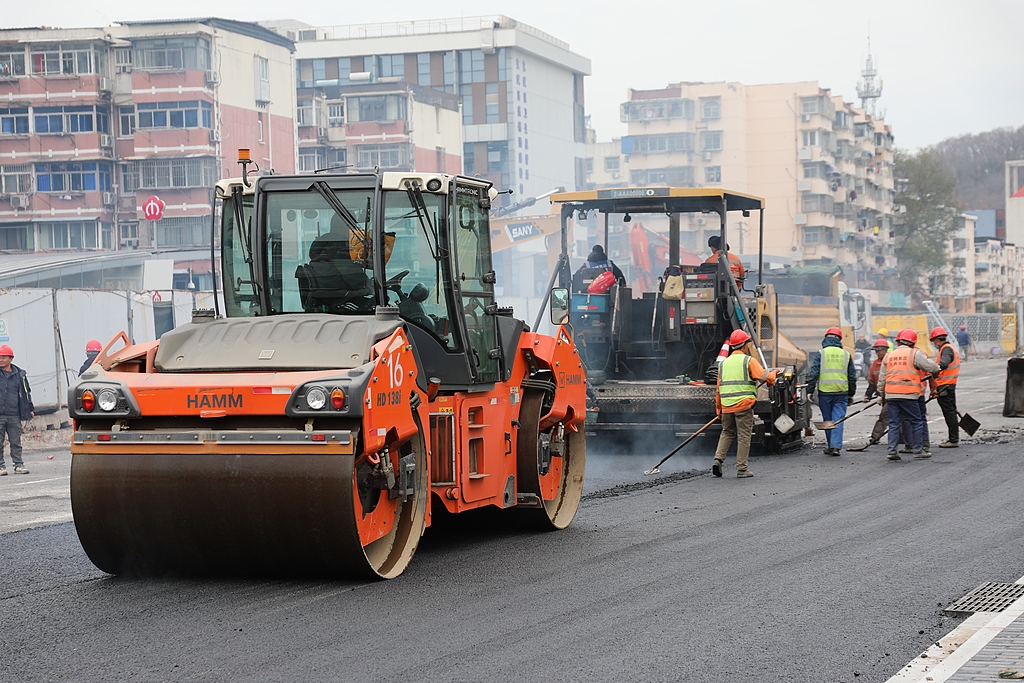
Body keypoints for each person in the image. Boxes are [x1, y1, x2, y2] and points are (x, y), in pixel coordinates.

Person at [712, 329, 778, 478]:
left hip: (727, 406)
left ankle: (718, 459)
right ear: (744, 345)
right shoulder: (748, 361)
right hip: (743, 405)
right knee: (744, 435)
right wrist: (774, 375)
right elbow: (765, 377)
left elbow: (718, 389)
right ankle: (742, 469)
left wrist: (719, 408)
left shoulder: (723, 364)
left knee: (727, 432)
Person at [878, 329, 939, 461]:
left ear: (898, 342)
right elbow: (932, 368)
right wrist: (936, 371)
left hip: (891, 395)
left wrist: (882, 395)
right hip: (909, 395)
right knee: (916, 422)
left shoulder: (889, 355)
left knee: (894, 424)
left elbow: (882, 379)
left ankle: (892, 451)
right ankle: (918, 450)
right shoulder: (915, 354)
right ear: (913, 342)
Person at [807, 326, 857, 456]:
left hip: (825, 393)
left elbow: (814, 373)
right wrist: (851, 394)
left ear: (826, 338)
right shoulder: (846, 354)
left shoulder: (821, 353)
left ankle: (830, 446)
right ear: (839, 339)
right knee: (838, 419)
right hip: (841, 392)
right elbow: (852, 376)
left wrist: (810, 390)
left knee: (827, 419)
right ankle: (835, 447)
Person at [0, 344, 35, 476]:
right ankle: (0, 467)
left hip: (14, 414)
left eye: (4, 357)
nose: (1, 360)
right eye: (0, 357)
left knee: (15, 442)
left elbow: (26, 392)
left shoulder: (20, 375)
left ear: (11, 359)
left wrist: (30, 408)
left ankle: (18, 465)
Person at [930, 327, 961, 448]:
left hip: (945, 387)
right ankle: (954, 437)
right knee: (951, 412)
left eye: (934, 341)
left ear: (937, 340)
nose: (934, 343)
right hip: (949, 385)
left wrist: (936, 368)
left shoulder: (946, 349)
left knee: (949, 413)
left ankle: (953, 439)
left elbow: (944, 362)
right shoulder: (949, 348)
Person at [864, 338, 891, 446]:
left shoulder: (891, 361)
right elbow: (872, 382)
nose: (878, 353)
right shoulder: (875, 364)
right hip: (883, 395)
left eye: (879, 350)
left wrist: (883, 395)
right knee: (889, 416)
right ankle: (901, 438)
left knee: (885, 416)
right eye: (876, 351)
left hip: (892, 394)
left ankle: (875, 437)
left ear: (885, 350)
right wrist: (867, 395)